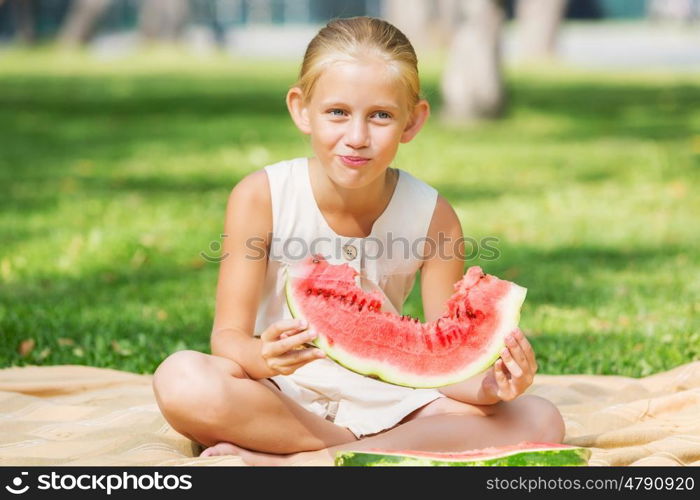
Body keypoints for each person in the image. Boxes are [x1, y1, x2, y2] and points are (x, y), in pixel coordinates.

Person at [152, 16, 565, 466]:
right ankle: (353, 456)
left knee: (541, 419)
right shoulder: (261, 196)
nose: (357, 137)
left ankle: (299, 461)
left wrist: (492, 384)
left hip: (387, 400)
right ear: (301, 109)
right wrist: (263, 355)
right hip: (278, 391)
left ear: (413, 121)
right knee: (182, 379)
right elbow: (227, 338)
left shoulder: (433, 217)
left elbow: (446, 365)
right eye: (337, 112)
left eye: (381, 116)